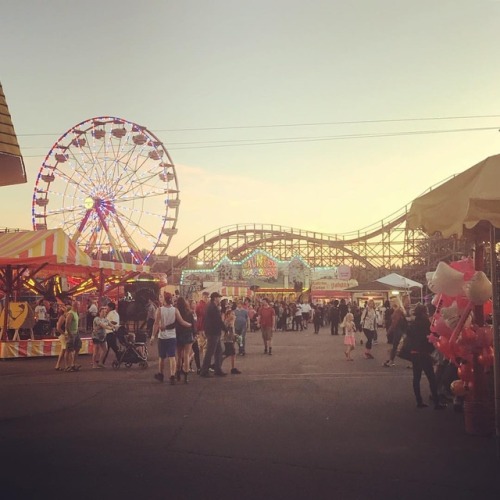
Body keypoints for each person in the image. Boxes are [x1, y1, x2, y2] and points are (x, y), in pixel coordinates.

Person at [407, 304, 446, 410]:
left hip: (414, 352)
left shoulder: (412, 324)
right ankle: (436, 402)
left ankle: (419, 401)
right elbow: (431, 336)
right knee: (431, 378)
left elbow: (409, 336)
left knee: (416, 377)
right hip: (424, 352)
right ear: (424, 312)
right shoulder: (426, 323)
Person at [151, 292, 192, 384]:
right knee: (172, 357)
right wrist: (190, 325)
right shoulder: (175, 310)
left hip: (162, 336)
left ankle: (161, 375)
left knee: (161, 357)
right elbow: (181, 321)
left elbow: (156, 323)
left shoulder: (159, 310)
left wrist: (153, 336)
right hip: (172, 336)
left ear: (164, 300)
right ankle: (172, 376)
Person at [199, 292, 227, 377]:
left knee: (218, 351)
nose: (219, 299)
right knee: (210, 352)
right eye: (219, 297)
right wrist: (225, 329)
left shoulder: (209, 306)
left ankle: (217, 369)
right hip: (213, 332)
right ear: (215, 298)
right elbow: (218, 320)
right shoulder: (213, 307)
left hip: (212, 331)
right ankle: (204, 371)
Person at [175, 296, 196, 384]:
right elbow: (193, 325)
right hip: (188, 334)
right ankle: (186, 376)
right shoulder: (190, 313)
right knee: (187, 355)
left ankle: (178, 373)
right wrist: (194, 334)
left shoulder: (176, 312)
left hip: (178, 334)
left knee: (179, 356)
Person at [384, 297, 408, 367]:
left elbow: (395, 323)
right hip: (400, 330)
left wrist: (389, 331)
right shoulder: (400, 310)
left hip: (398, 330)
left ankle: (391, 360)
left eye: (392, 301)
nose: (390, 302)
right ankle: (391, 360)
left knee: (395, 346)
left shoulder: (398, 311)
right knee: (396, 346)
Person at [222, 308, 241, 374]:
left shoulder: (230, 321)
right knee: (229, 353)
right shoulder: (227, 321)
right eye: (232, 314)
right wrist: (232, 322)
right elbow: (226, 330)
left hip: (230, 339)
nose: (233, 315)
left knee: (230, 353)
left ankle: (233, 368)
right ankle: (216, 364)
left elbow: (232, 331)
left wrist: (235, 335)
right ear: (228, 315)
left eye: (234, 314)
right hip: (227, 340)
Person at [65, 300, 82, 372]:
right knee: (69, 350)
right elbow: (67, 325)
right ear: (75, 305)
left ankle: (73, 364)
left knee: (77, 348)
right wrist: (70, 334)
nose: (79, 306)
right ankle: (67, 366)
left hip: (76, 333)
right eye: (78, 305)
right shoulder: (71, 314)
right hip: (71, 333)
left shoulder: (76, 313)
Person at [195, 291, 209, 366]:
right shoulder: (200, 306)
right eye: (205, 297)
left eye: (207, 297)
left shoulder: (202, 305)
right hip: (202, 328)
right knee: (203, 347)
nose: (206, 298)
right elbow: (200, 317)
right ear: (202, 297)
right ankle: (204, 365)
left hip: (202, 328)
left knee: (201, 347)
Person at [54, 305, 70, 371]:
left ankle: (58, 365)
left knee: (63, 350)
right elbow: (58, 328)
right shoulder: (62, 317)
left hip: (64, 334)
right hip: (62, 334)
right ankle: (67, 365)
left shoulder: (65, 317)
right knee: (65, 349)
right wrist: (64, 333)